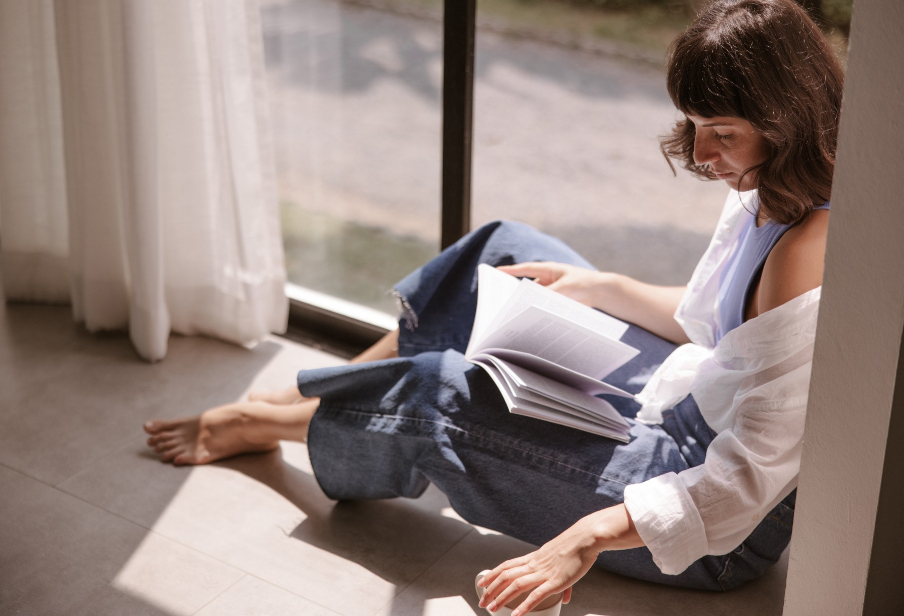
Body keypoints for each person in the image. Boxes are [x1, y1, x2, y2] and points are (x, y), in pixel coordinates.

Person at [143, 0, 843, 613]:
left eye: (720, 131)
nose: (699, 152)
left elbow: (744, 480)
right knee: (502, 252)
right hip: (683, 393)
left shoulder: (811, 251)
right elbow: (714, 328)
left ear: (784, 118)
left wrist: (585, 536)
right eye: (692, 125)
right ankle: (338, 397)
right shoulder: (768, 184)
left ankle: (273, 419)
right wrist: (602, 288)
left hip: (707, 521)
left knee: (438, 394)